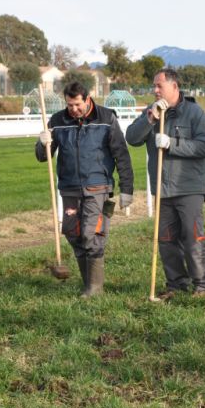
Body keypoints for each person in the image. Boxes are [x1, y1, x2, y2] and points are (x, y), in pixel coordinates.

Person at [36, 81, 134, 297]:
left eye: (77, 104)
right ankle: (88, 284)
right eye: (69, 105)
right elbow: (44, 157)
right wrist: (42, 143)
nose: (73, 109)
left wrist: (127, 188)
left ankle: (95, 288)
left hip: (97, 186)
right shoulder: (57, 120)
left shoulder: (106, 118)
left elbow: (121, 155)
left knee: (92, 234)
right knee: (74, 234)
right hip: (69, 188)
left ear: (87, 99)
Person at [126, 68, 205, 299]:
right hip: (162, 189)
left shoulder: (194, 113)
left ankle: (202, 285)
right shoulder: (150, 112)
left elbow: (204, 147)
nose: (154, 90)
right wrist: (150, 119)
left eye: (159, 86)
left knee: (193, 236)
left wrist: (172, 143)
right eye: (153, 86)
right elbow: (132, 138)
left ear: (174, 87)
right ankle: (176, 285)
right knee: (166, 240)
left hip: (189, 187)